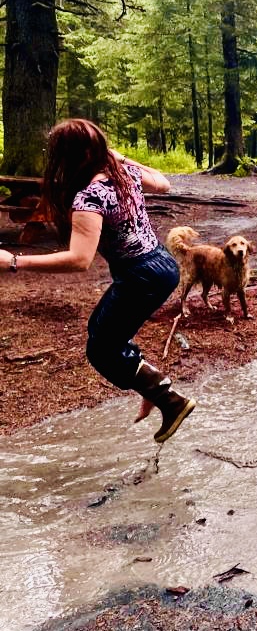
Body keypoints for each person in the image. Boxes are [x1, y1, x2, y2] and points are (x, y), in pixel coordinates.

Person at [0, 119, 196, 443]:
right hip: (162, 265)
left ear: (64, 157)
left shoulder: (89, 197)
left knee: (101, 350)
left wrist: (14, 262)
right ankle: (155, 387)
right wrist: (122, 159)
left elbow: (79, 260)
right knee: (104, 335)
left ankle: (167, 398)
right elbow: (163, 183)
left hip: (140, 276)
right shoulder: (124, 175)